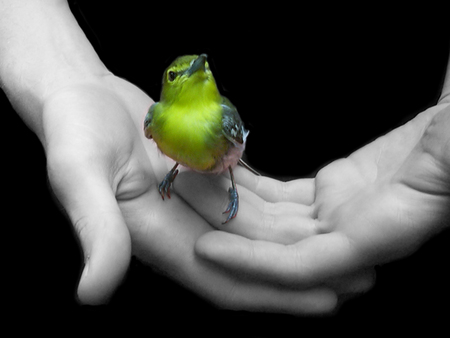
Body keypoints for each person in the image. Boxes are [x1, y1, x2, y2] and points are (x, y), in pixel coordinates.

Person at [1, 0, 449, 316]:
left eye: (203, 68)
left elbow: (233, 142)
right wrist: (57, 70)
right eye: (181, 72)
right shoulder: (155, 120)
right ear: (168, 86)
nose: (198, 70)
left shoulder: (223, 117)